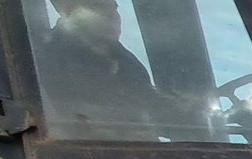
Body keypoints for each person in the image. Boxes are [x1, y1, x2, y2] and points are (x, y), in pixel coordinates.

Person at [32, 0, 164, 137]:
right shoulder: (41, 59)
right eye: (99, 7)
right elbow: (60, 121)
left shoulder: (128, 63)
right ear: (68, 11)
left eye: (114, 8)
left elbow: (154, 110)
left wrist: (180, 108)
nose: (113, 16)